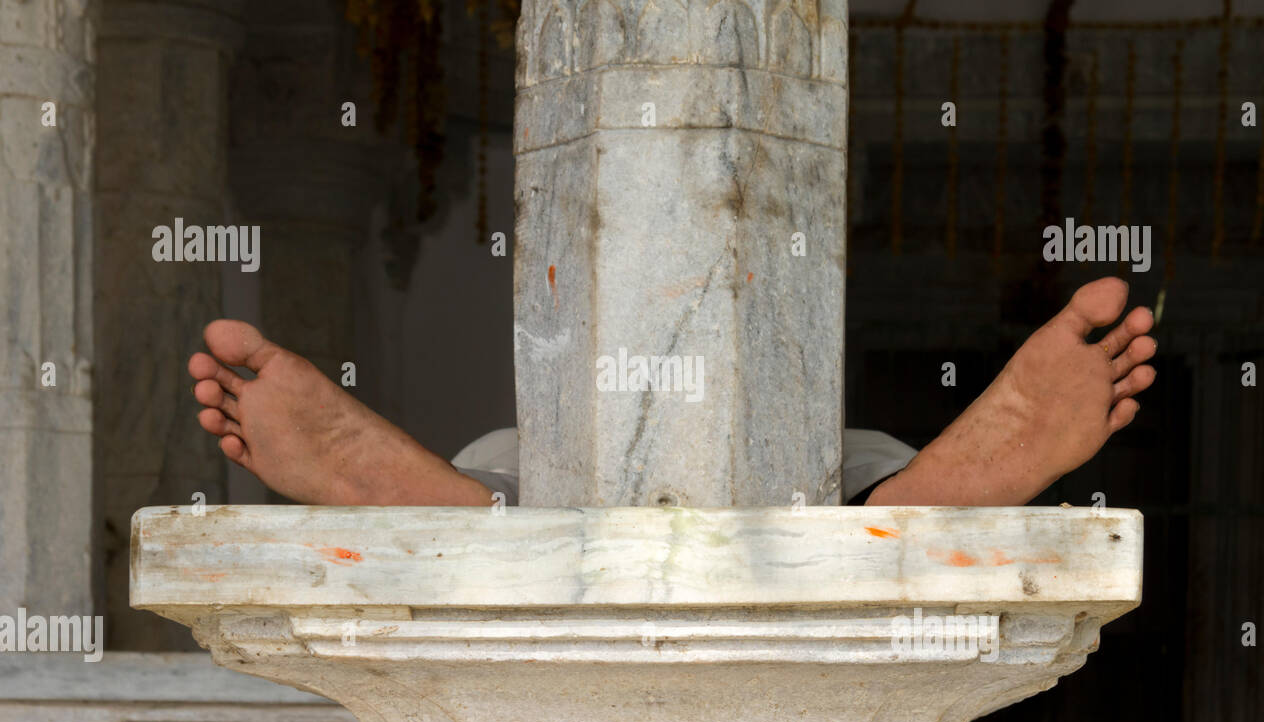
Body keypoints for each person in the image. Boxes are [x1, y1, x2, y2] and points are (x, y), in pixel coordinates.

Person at [187, 276, 1156, 508]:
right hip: (820, 482)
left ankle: (453, 511)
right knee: (862, 492)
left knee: (506, 481)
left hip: (550, 481)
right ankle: (909, 507)